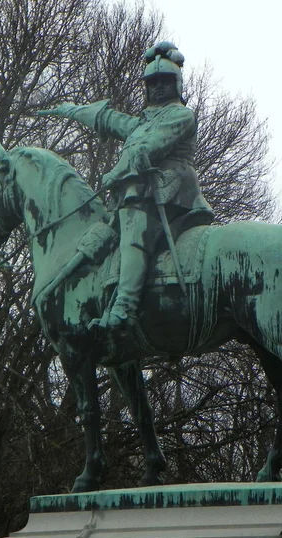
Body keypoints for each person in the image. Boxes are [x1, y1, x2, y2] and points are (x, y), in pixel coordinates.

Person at [38, 42, 214, 329]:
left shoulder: (181, 115)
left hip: (171, 190)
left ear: (177, 85)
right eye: (152, 82)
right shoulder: (143, 121)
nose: (158, 87)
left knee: (134, 225)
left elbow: (147, 147)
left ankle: (125, 306)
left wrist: (116, 172)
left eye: (165, 82)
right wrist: (70, 110)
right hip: (144, 190)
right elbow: (109, 119)